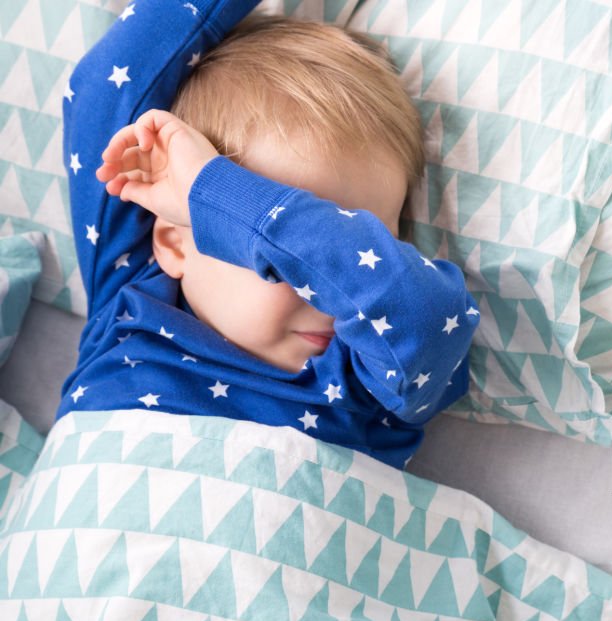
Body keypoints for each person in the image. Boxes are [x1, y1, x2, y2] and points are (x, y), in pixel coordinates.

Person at [57, 0, 479, 469]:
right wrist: (212, 196)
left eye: (366, 239)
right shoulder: (126, 303)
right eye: (275, 260)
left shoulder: (370, 381)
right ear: (176, 242)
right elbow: (105, 87)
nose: (325, 292)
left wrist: (221, 193)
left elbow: (425, 312)